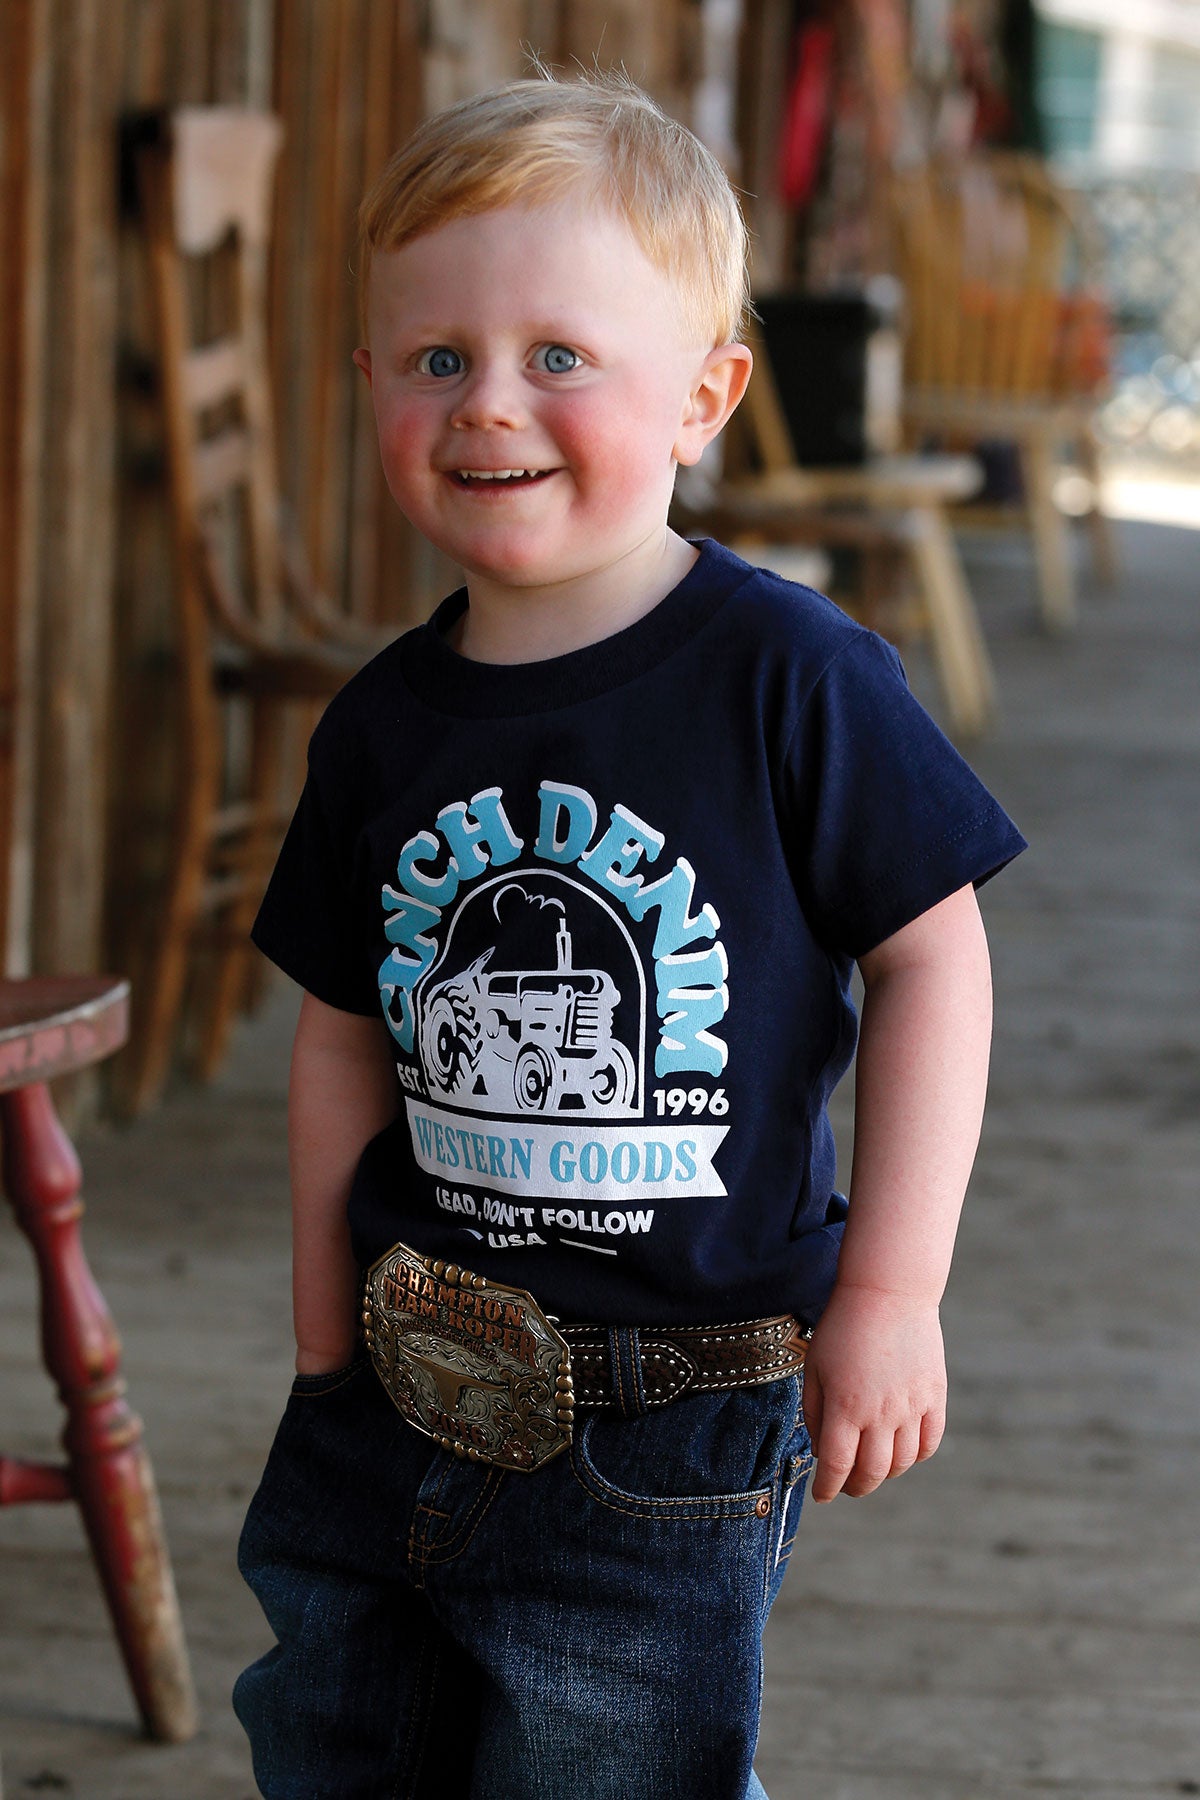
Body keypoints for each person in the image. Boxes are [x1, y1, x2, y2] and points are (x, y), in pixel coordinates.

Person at [233, 71, 1025, 1800]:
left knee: (615, 1770)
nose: (487, 404)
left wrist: (892, 1290)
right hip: (392, 1371)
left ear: (704, 396)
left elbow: (933, 957)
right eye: (435, 358)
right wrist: (316, 1339)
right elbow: (344, 1033)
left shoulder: (790, 678)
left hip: (669, 1419)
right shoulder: (383, 722)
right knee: (339, 1745)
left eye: (559, 357)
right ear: (372, 382)